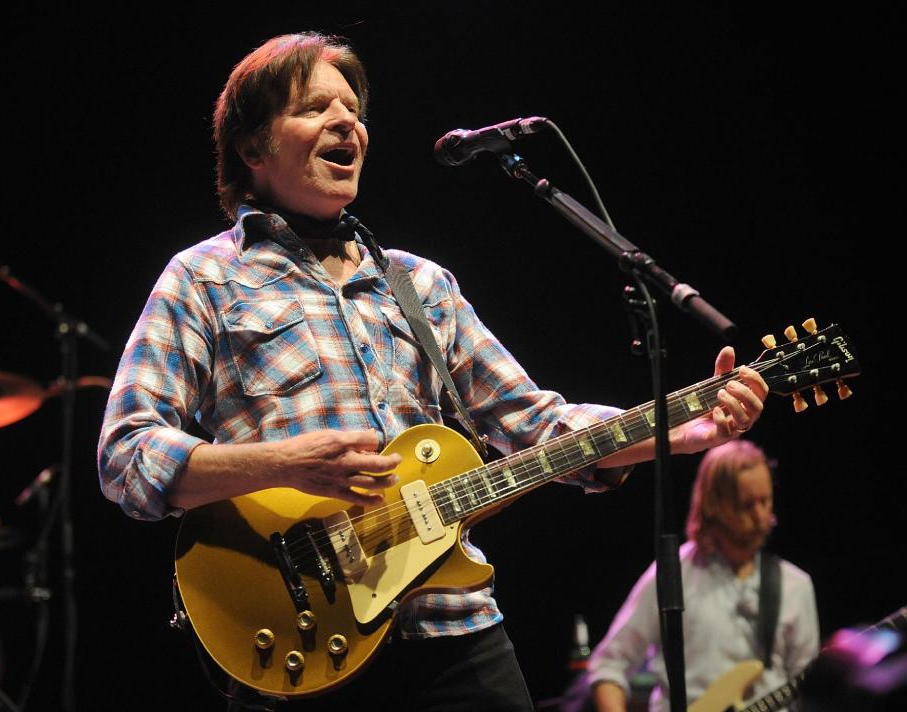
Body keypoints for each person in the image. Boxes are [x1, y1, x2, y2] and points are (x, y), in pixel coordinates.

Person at [96, 32, 768, 711]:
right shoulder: (204, 278)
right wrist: (285, 463)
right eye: (313, 107)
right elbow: (127, 457)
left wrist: (675, 430)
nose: (345, 122)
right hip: (304, 641)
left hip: (456, 630)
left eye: (353, 108)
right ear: (251, 146)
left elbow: (537, 425)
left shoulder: (420, 284)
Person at [585, 440, 819, 712]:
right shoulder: (673, 574)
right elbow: (609, 664)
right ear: (714, 504)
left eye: (765, 501)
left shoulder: (795, 585)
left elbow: (809, 691)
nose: (760, 516)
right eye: (746, 504)